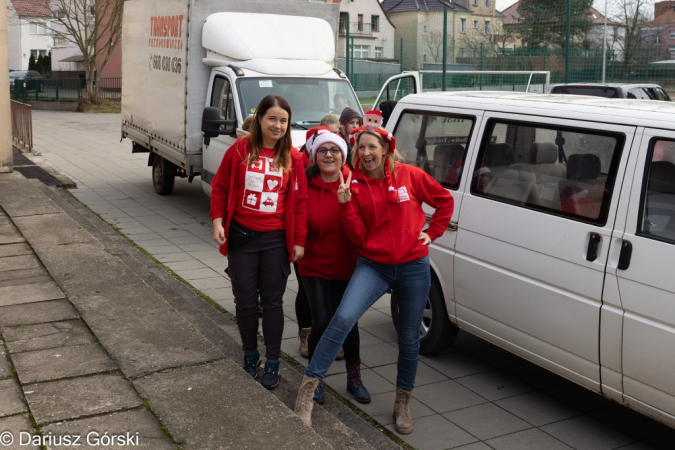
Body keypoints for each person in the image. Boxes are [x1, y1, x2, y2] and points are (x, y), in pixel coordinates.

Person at [294, 127, 454, 433]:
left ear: (385, 149)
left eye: (372, 147)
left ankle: (402, 402)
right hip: (373, 265)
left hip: (412, 266)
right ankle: (307, 392)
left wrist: (431, 233)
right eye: (360, 148)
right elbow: (357, 236)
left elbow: (444, 201)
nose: (366, 153)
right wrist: (344, 204)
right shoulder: (353, 184)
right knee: (341, 319)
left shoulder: (411, 175)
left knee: (409, 338)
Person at [210, 94, 307, 390]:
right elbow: (220, 186)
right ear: (260, 119)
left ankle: (274, 360)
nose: (277, 125)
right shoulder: (240, 150)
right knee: (246, 302)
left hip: (276, 240)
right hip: (242, 237)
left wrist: (299, 241)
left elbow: (301, 203)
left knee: (274, 303)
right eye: (272, 119)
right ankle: (250, 354)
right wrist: (217, 221)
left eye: (283, 120)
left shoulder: (294, 157)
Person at [298, 127, 370, 405]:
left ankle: (354, 377)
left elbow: (362, 231)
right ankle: (315, 379)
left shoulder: (356, 184)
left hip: (349, 266)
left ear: (344, 155)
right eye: (323, 150)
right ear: (315, 156)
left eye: (335, 150)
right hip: (314, 264)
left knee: (348, 322)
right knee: (323, 321)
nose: (329, 155)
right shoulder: (304, 184)